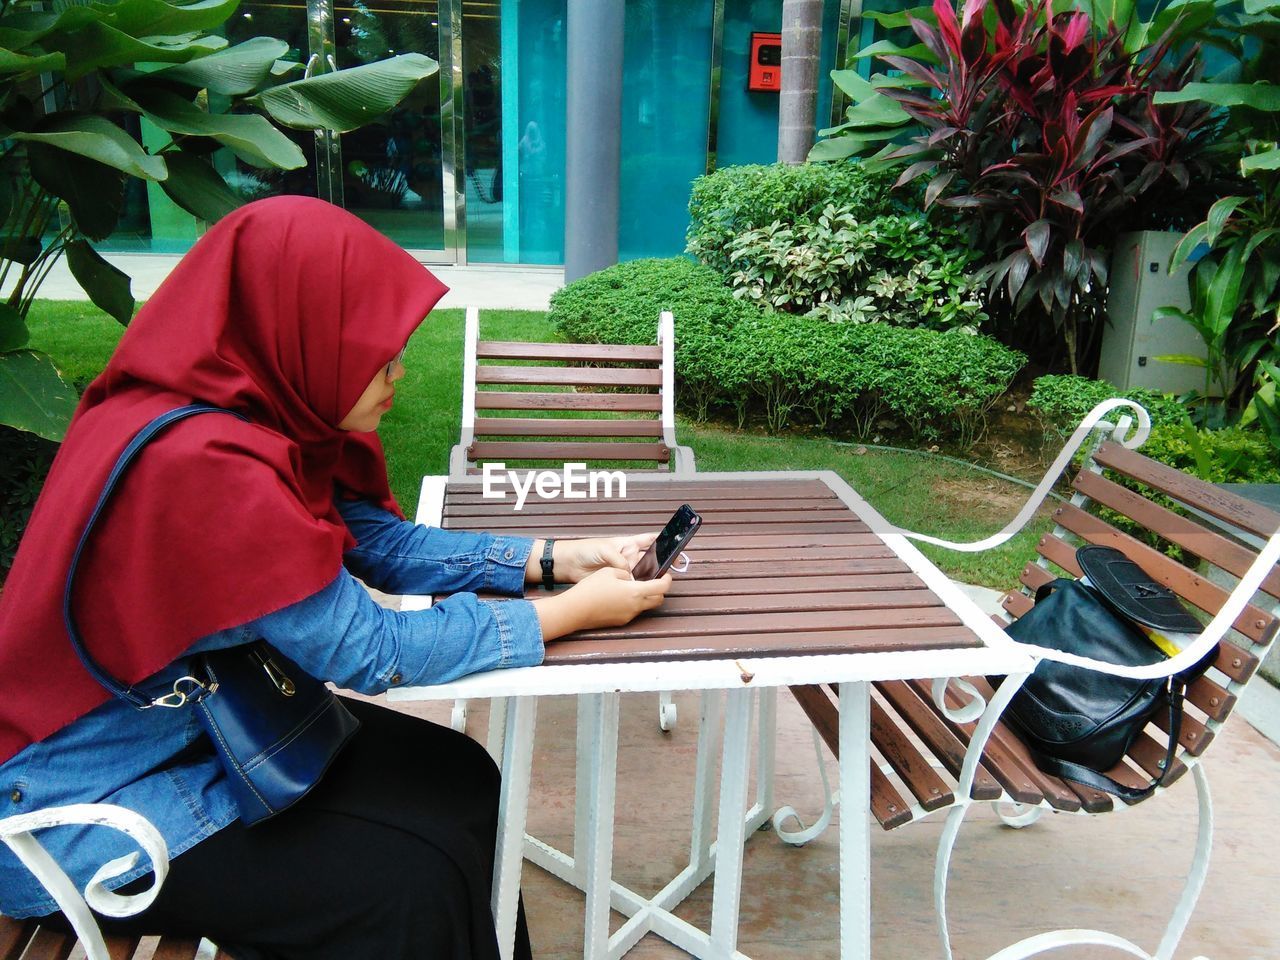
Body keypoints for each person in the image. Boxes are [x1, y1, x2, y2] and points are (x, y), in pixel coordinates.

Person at [0, 196, 673, 958]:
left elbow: (374, 539)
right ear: (302, 331)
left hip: (199, 723)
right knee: (408, 884)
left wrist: (552, 560)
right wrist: (570, 615)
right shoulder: (205, 466)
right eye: (374, 351)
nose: (396, 372)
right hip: (83, 805)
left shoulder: (251, 414)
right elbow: (368, 650)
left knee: (459, 775)